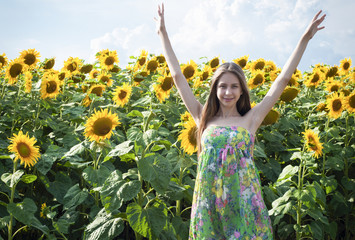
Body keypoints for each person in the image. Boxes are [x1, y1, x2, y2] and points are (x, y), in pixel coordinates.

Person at [155, 3, 326, 239]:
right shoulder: (202, 117)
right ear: (215, 89)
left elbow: (282, 81)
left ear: (242, 90)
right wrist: (162, 33)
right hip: (208, 201)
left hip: (244, 201)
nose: (228, 92)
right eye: (223, 86)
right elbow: (177, 76)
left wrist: (304, 39)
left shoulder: (251, 120)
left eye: (234, 86)